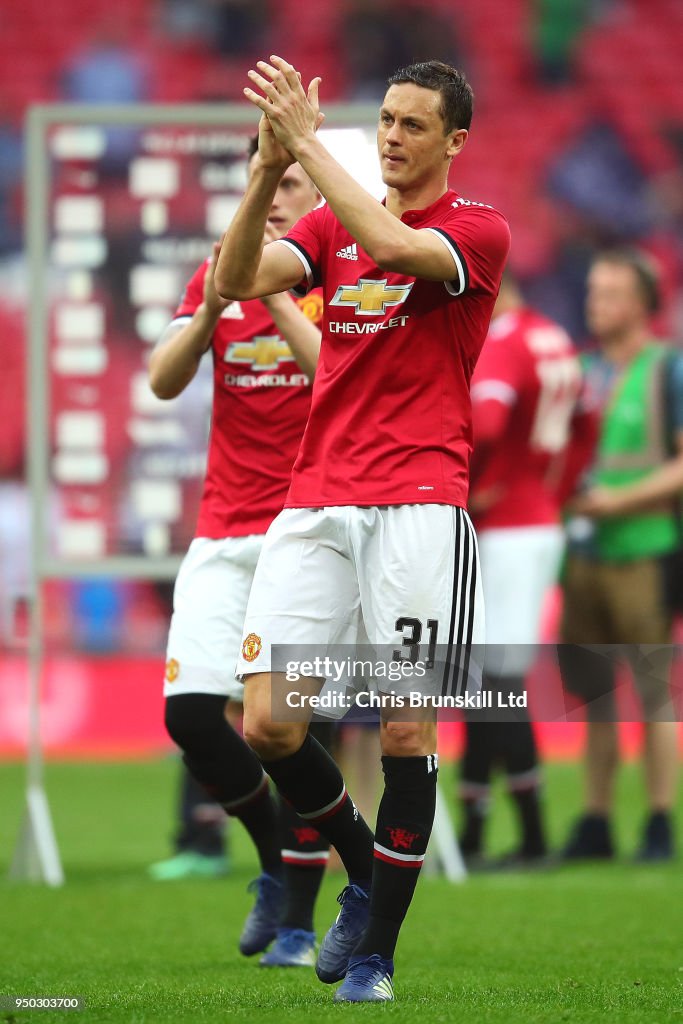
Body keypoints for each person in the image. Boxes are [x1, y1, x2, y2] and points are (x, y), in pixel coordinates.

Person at [215, 56, 510, 1002]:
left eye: (412, 125)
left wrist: (307, 145)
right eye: (383, 119)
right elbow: (232, 279)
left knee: (401, 726)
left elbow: (388, 246)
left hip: (419, 508)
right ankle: (360, 872)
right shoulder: (326, 224)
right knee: (267, 722)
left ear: (453, 141)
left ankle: (374, 956)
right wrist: (268, 168)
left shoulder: (477, 230)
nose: (390, 136)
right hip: (315, 502)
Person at [148, 136, 332, 967]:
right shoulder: (214, 271)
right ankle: (268, 866)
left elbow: (335, 377)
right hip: (223, 528)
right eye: (270, 181)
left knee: (289, 731)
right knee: (188, 714)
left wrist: (274, 290)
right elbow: (161, 378)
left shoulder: (337, 268)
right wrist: (221, 302)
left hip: (306, 534)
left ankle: (301, 921)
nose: (282, 194)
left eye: (294, 181)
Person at [559, 248, 682, 862]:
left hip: (644, 547)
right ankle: (596, 818)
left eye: (609, 292)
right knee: (593, 693)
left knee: (654, 689)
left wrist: (618, 500)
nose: (595, 302)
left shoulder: (668, 369)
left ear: (640, 303)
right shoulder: (576, 369)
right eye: (592, 290)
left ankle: (660, 819)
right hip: (581, 554)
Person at [459, 269, 585, 867]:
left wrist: (479, 485)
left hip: (505, 528)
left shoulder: (504, 340)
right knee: (486, 681)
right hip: (537, 520)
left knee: (496, 684)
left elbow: (486, 425)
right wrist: (552, 488)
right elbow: (586, 423)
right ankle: (476, 833)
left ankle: (533, 836)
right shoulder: (553, 336)